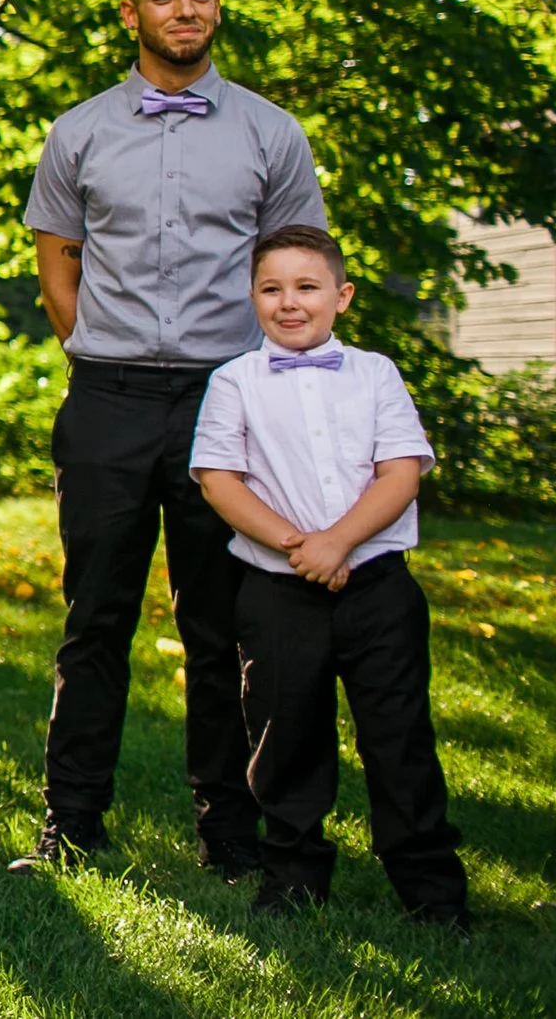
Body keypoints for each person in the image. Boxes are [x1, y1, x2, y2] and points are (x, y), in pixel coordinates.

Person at [15, 0, 327, 878]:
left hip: (226, 403)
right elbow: (56, 254)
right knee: (95, 616)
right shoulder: (80, 132)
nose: (183, 9)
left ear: (216, 8)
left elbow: (298, 266)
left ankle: (230, 835)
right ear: (131, 14)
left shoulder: (273, 135)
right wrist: (87, 346)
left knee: (223, 624)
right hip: (107, 397)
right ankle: (71, 824)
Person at [190, 225, 469, 927]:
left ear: (340, 296)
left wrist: (338, 542)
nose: (290, 302)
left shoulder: (375, 373)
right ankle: (292, 876)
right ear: (252, 297)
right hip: (277, 590)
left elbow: (401, 471)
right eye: (271, 288)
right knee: (285, 735)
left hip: (377, 584)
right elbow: (220, 481)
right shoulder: (234, 381)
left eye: (306, 287)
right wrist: (298, 546)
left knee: (399, 733)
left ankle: (431, 888)